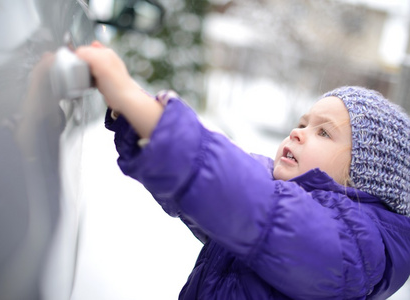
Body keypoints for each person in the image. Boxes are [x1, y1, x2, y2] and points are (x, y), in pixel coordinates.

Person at [76, 41, 410, 299]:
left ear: (361, 179)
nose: (298, 132)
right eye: (302, 123)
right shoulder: (274, 189)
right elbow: (215, 180)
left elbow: (250, 201)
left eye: (323, 132)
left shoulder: (354, 246)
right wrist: (134, 111)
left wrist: (131, 98)